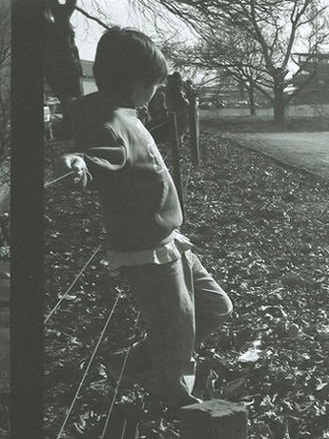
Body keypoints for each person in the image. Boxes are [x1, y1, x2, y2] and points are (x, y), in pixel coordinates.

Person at [58, 27, 233, 410]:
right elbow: (97, 153)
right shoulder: (110, 122)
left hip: (170, 242)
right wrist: (79, 162)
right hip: (148, 253)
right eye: (153, 84)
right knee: (177, 330)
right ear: (136, 84)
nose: (155, 92)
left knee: (215, 308)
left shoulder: (128, 114)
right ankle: (180, 406)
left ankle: (136, 362)